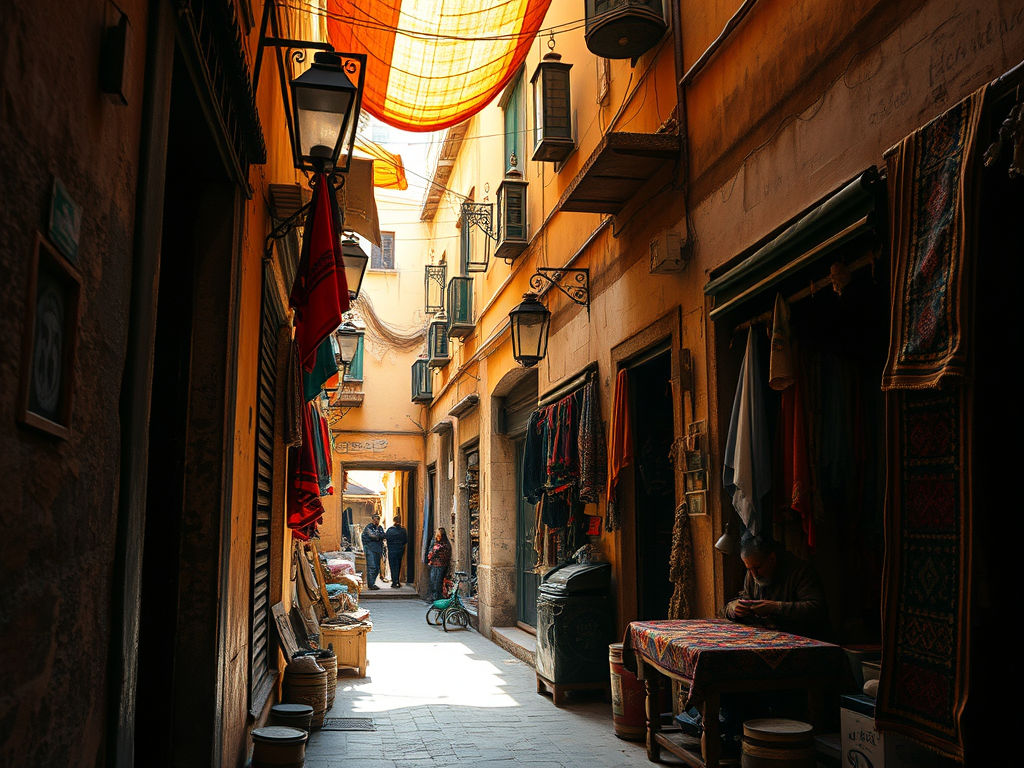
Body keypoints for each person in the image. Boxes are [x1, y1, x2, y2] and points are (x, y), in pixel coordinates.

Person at [724, 533, 830, 640]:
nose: (754, 574)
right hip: (767, 638)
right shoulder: (752, 574)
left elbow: (816, 609)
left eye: (757, 567)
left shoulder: (801, 572)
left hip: (803, 639)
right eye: (749, 569)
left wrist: (776, 607)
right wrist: (734, 608)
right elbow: (745, 598)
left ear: (772, 558)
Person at [361, 513, 386, 590]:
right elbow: (373, 536)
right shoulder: (369, 527)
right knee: (372, 567)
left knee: (377, 568)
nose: (376, 520)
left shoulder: (380, 528)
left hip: (378, 550)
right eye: (375, 519)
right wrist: (379, 536)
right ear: (372, 519)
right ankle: (371, 584)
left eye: (378, 519)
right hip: (370, 549)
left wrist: (378, 536)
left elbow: (383, 535)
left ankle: (373, 583)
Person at [426, 527, 452, 601]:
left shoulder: (444, 545)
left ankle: (436, 597)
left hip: (440, 566)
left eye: (438, 536)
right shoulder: (438, 544)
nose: (437, 538)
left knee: (437, 582)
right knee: (433, 581)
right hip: (435, 565)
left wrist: (434, 553)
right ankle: (434, 596)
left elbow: (444, 555)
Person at [385, 515, 409, 588]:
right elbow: (405, 540)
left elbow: (386, 539)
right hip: (399, 549)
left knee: (392, 566)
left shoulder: (389, 530)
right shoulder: (403, 530)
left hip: (392, 550)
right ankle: (397, 581)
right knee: (398, 565)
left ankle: (394, 581)